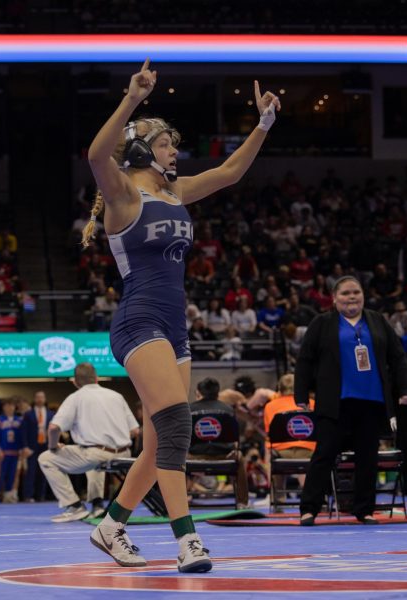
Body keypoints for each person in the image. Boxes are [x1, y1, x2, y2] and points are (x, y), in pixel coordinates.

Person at [82, 58, 279, 572]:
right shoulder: (123, 193)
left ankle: (110, 527)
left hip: (174, 327)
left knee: (160, 442)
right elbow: (96, 153)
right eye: (168, 143)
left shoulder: (175, 191)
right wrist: (132, 99)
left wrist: (262, 125)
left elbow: (231, 172)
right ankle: (188, 540)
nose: (176, 150)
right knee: (174, 427)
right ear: (144, 147)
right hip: (138, 320)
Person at [295, 275, 407, 525]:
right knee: (323, 455)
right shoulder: (322, 323)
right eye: (346, 293)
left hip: (371, 401)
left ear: (363, 295)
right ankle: (309, 508)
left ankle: (364, 510)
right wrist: (301, 395)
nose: (352, 297)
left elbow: (398, 357)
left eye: (356, 292)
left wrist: (406, 389)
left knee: (368, 458)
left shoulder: (377, 321)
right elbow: (305, 359)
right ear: (334, 298)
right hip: (335, 401)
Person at [39, 363, 139, 522]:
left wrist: (53, 447)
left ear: (75, 382)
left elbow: (53, 428)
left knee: (46, 458)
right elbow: (135, 431)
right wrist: (114, 441)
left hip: (96, 454)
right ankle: (97, 504)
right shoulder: (116, 396)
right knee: (90, 452)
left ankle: (74, 506)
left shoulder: (76, 397)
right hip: (124, 453)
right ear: (97, 378)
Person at [189, 377, 249, 509]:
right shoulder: (227, 410)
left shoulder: (189, 410)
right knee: (239, 457)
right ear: (217, 392)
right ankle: (242, 502)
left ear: (199, 392)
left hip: (195, 457)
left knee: (178, 459)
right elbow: (236, 439)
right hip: (224, 456)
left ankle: (183, 499)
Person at [263, 374, 316, 505]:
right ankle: (318, 500)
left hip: (281, 454)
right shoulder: (312, 404)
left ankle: (277, 501)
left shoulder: (270, 406)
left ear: (279, 389)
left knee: (270, 450)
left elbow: (270, 433)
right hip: (308, 453)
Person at [20, 391, 54, 502]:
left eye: (42, 397)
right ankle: (28, 496)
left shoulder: (50, 414)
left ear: (44, 399)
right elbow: (23, 431)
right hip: (32, 447)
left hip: (45, 446)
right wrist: (25, 446)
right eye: (38, 397)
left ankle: (41, 496)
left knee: (44, 472)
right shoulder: (28, 414)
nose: (40, 399)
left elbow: (54, 431)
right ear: (35, 399)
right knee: (31, 471)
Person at [0, 398, 23, 503]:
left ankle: (9, 495)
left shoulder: (19, 420)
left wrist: (22, 448)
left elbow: (22, 436)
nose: (9, 408)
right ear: (3, 407)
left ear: (15, 407)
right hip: (4, 452)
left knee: (13, 474)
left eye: (11, 405)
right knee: (1, 474)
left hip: (15, 452)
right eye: (7, 405)